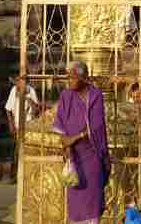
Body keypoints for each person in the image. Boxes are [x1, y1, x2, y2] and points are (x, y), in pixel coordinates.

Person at [53, 60, 110, 224]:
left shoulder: (96, 95)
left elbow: (97, 126)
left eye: (72, 77)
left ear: (83, 77)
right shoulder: (66, 96)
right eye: (67, 77)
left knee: (92, 204)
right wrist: (68, 142)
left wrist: (77, 137)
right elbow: (60, 125)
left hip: (93, 156)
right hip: (74, 158)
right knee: (75, 205)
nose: (68, 80)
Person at [4, 75, 41, 182]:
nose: (20, 84)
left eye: (22, 82)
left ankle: (28, 176)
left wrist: (28, 99)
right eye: (18, 82)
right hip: (17, 125)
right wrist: (11, 124)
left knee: (29, 151)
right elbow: (8, 108)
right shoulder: (14, 90)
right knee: (16, 151)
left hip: (29, 125)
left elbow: (36, 109)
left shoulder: (31, 91)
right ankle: (13, 176)